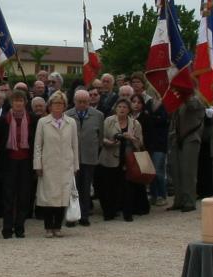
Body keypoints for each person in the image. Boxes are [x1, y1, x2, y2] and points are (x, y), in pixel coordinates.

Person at [33, 94, 78, 238]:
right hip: (48, 165)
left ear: (65, 106)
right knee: (48, 197)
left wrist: (75, 166)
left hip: (66, 164)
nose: (58, 106)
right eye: (55, 103)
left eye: (61, 104)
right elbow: (38, 145)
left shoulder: (71, 122)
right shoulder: (43, 122)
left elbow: (75, 145)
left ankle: (58, 226)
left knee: (63, 197)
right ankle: (48, 227)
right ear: (50, 105)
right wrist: (37, 165)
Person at [0, 89, 35, 239]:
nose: (18, 103)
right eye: (15, 101)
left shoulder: (32, 119)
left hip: (26, 162)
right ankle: (7, 228)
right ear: (11, 103)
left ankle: (20, 227)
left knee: (24, 197)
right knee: (8, 196)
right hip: (9, 162)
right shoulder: (4, 119)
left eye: (20, 100)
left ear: (25, 103)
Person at [99, 97, 143, 222]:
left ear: (129, 110)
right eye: (119, 107)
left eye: (124, 107)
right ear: (116, 108)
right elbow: (101, 137)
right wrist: (110, 142)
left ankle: (127, 213)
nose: (122, 109)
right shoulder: (108, 121)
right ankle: (109, 213)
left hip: (128, 159)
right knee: (109, 186)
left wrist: (131, 138)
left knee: (127, 187)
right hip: (110, 157)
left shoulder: (135, 123)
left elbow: (140, 144)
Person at [67, 89, 103, 226]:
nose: (82, 104)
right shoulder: (67, 115)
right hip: (72, 158)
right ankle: (71, 216)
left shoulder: (98, 115)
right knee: (72, 187)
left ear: (89, 102)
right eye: (79, 102)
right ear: (74, 101)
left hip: (89, 157)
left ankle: (84, 215)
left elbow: (100, 137)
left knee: (86, 187)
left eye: (85, 102)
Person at [169, 88, 206, 212]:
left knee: (188, 171)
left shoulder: (198, 98)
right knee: (176, 170)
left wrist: (186, 94)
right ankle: (178, 200)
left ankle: (189, 201)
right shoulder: (179, 99)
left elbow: (192, 105)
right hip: (176, 138)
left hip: (191, 137)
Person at [140, 92, 170, 206]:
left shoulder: (165, 104)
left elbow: (164, 120)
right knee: (150, 171)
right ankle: (154, 195)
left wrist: (152, 117)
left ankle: (162, 195)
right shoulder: (148, 103)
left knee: (158, 171)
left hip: (160, 143)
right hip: (149, 142)